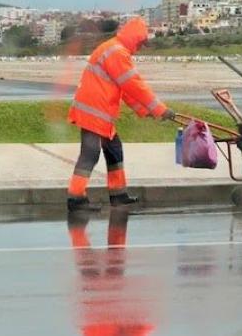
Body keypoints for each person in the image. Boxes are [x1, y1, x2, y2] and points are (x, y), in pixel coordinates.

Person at [66, 17, 174, 212]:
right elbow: (134, 85)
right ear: (135, 38)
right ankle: (76, 198)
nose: (140, 48)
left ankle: (118, 195)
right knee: (90, 153)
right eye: (141, 43)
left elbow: (125, 89)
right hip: (94, 111)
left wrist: (145, 110)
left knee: (114, 149)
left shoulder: (115, 49)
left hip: (99, 111)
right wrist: (159, 109)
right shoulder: (116, 52)